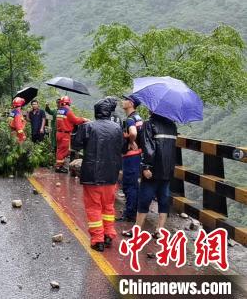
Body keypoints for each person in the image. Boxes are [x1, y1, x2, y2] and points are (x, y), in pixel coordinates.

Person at [72, 97, 123, 252]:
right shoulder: (117, 128)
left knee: (94, 207)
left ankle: (97, 239)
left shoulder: (88, 127)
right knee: (108, 206)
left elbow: (75, 145)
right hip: (111, 174)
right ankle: (109, 234)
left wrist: (77, 129)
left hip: (92, 175)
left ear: (97, 111)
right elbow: (122, 147)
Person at [124, 112, 178, 238]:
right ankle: (160, 230)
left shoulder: (149, 124)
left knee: (144, 199)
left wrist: (146, 166)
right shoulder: (172, 126)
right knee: (164, 199)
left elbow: (148, 147)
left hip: (153, 170)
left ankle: (137, 230)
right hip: (168, 169)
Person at [117, 94, 144, 222]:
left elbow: (133, 132)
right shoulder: (138, 118)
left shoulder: (130, 119)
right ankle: (132, 210)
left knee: (129, 185)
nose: (123, 101)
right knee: (133, 184)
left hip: (130, 155)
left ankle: (130, 214)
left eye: (126, 100)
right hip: (137, 155)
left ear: (131, 104)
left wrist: (131, 140)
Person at [55, 96, 88, 173]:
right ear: (68, 103)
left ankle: (59, 165)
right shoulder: (67, 111)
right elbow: (75, 120)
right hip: (65, 134)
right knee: (63, 151)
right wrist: (84, 119)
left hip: (59, 133)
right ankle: (59, 167)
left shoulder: (59, 110)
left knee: (60, 150)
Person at [45, 99, 61, 165]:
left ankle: (58, 159)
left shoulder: (63, 111)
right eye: (57, 103)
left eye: (59, 103)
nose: (58, 104)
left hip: (60, 131)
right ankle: (54, 158)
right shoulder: (55, 111)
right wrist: (47, 106)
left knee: (59, 145)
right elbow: (49, 111)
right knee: (54, 144)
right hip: (54, 130)